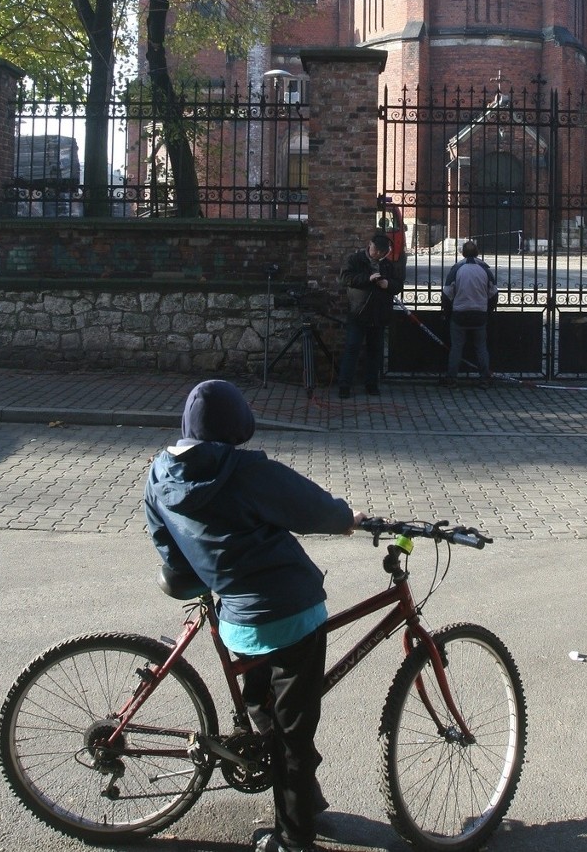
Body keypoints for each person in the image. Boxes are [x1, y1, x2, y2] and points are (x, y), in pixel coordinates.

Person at [145, 379, 363, 852]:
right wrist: (347, 518)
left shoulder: (159, 475)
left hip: (236, 620)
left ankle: (306, 796)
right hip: (290, 613)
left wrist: (208, 574)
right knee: (294, 734)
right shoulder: (245, 470)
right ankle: (296, 840)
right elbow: (314, 509)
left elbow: (168, 549)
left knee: (263, 704)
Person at [337, 231, 403, 397]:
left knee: (375, 351)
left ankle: (371, 384)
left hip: (379, 314)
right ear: (372, 247)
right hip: (359, 312)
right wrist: (369, 278)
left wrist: (387, 283)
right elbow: (345, 278)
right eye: (374, 250)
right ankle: (344, 385)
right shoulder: (356, 259)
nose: (376, 253)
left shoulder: (388, 265)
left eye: (380, 252)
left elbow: (398, 285)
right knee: (352, 348)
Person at [440, 240, 498, 388]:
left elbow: (447, 294)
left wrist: (447, 313)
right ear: (477, 252)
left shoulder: (457, 269)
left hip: (459, 313)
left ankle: (452, 378)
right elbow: (493, 294)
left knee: (456, 347)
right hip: (479, 314)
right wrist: (488, 311)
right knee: (481, 347)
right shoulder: (484, 269)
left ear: (463, 252)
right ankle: (484, 378)